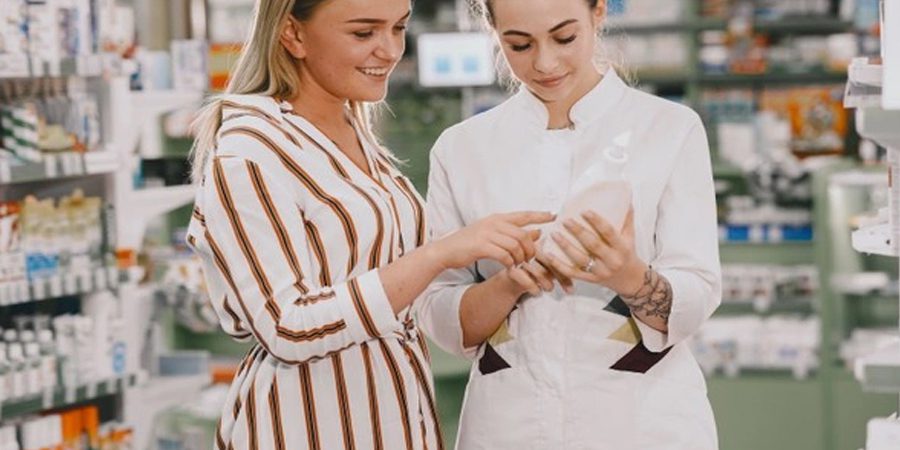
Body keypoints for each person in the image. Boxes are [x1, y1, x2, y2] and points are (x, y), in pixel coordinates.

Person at [185, 1, 553, 449]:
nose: (390, 50)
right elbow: (287, 325)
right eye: (364, 34)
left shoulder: (349, 129)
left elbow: (393, 289)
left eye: (398, 28)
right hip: (307, 428)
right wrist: (439, 254)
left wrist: (509, 279)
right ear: (293, 35)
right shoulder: (250, 153)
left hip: (394, 418)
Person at [417, 0, 722, 448]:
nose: (544, 62)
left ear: (598, 12)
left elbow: (697, 294)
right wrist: (509, 285)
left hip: (642, 423)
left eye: (564, 37)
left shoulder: (669, 129)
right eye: (519, 44)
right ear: (493, 31)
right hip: (511, 425)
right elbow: (441, 318)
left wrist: (628, 275)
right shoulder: (462, 149)